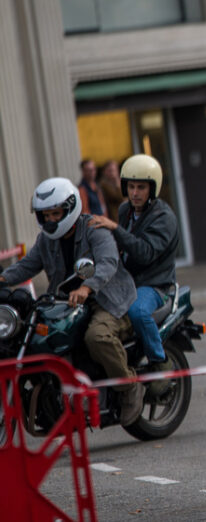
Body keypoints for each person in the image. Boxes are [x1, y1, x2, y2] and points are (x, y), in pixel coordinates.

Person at [0, 177, 144, 424]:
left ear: (69, 208)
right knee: (41, 339)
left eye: (56, 213)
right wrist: (2, 277)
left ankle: (129, 387)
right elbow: (26, 266)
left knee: (96, 337)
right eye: (45, 215)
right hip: (68, 303)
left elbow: (108, 263)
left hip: (107, 300)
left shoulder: (94, 229)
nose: (51, 220)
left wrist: (87, 287)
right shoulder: (46, 240)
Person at [89, 154, 179, 396]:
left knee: (138, 311)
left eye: (141, 187)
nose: (135, 192)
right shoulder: (126, 209)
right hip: (127, 281)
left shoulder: (164, 218)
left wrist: (116, 229)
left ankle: (160, 362)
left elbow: (145, 253)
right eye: (131, 186)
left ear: (153, 188)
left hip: (154, 285)